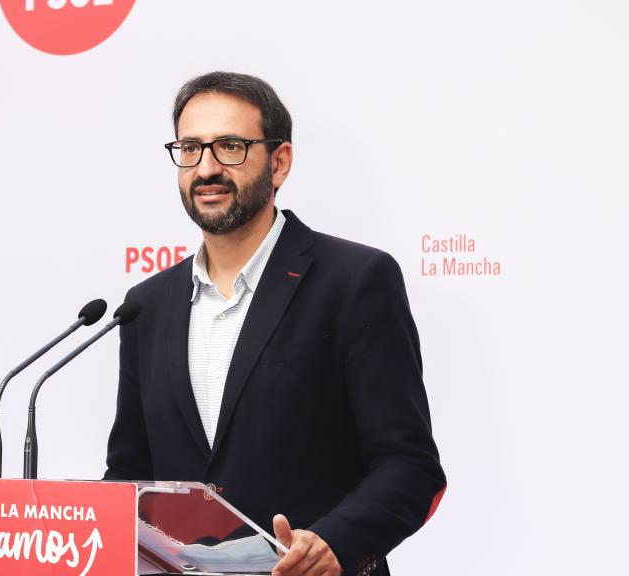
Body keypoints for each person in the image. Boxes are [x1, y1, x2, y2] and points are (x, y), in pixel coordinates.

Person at [104, 71, 446, 576]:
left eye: (230, 147)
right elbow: (130, 475)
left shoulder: (353, 281)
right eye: (191, 149)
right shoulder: (145, 306)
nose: (207, 169)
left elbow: (409, 465)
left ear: (279, 162)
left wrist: (333, 542)